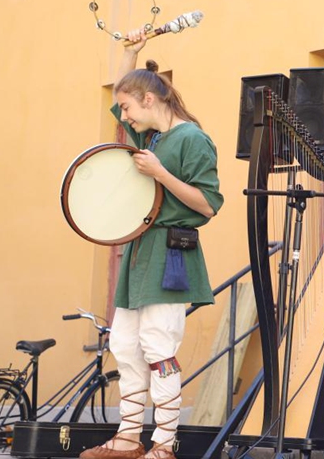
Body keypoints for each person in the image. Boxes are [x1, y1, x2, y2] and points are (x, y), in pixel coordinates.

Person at [81, 29, 224, 459]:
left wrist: (161, 173)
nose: (124, 116)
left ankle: (163, 445)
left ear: (149, 99)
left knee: (159, 346)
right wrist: (131, 53)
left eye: (128, 107)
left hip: (171, 255)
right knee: (124, 344)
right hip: (140, 254)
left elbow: (209, 204)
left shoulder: (193, 139)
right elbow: (125, 95)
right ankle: (128, 438)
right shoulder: (153, 137)